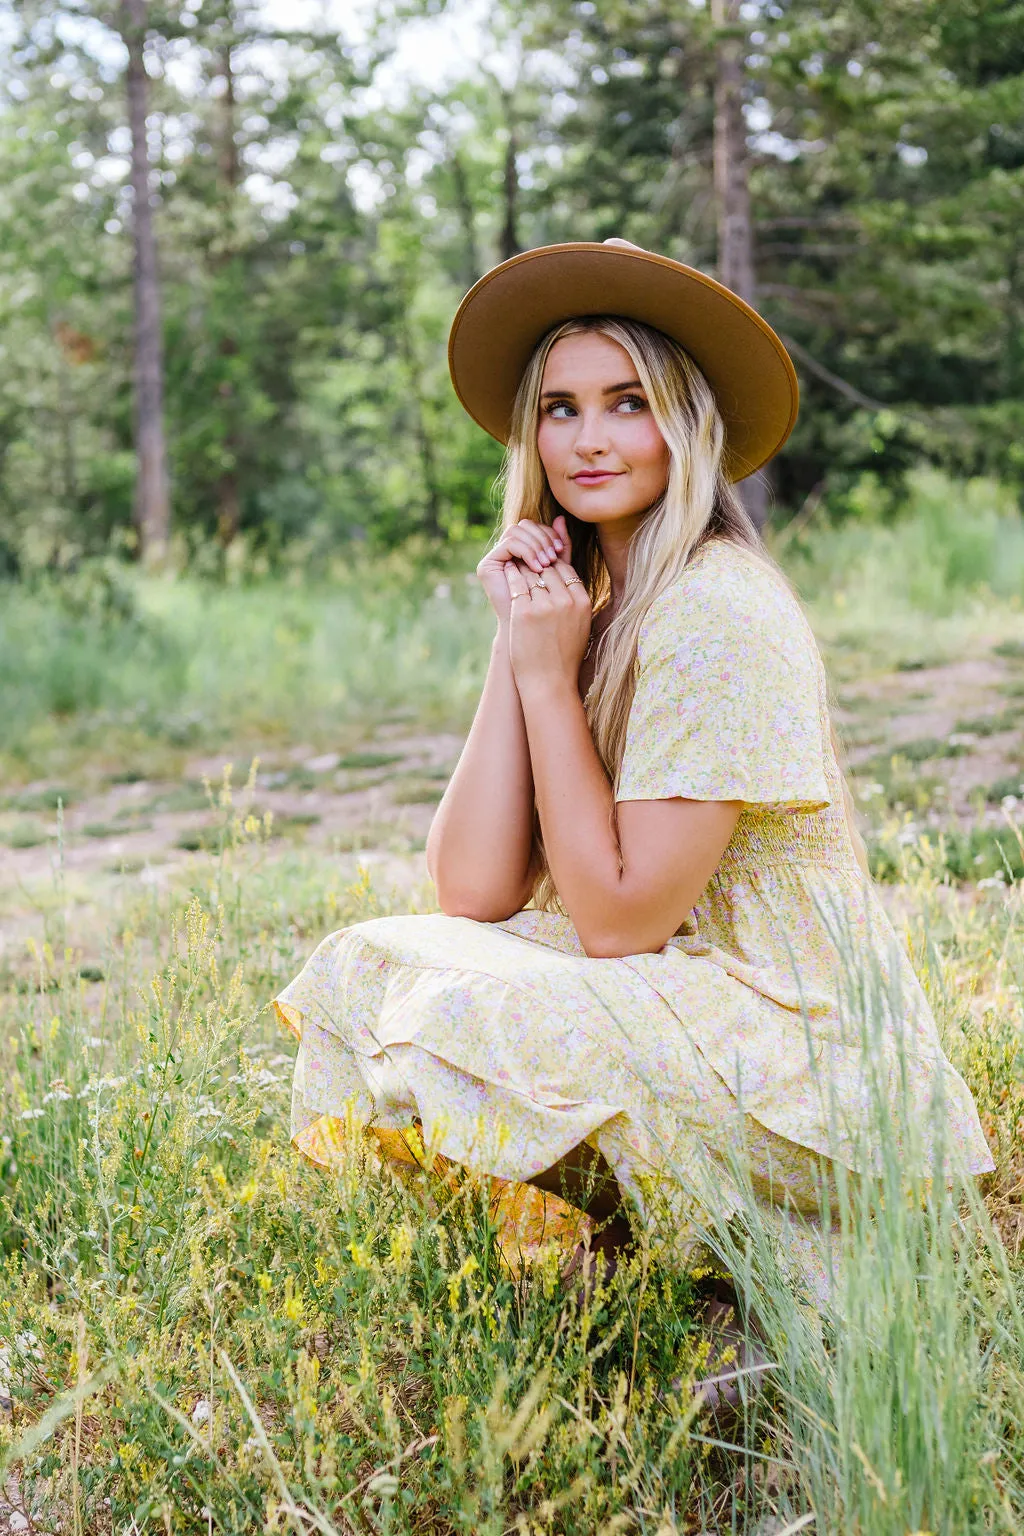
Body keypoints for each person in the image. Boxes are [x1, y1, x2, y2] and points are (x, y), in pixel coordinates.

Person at [272, 240, 993, 1390]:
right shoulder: (599, 600)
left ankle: (754, 1278)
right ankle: (648, 1264)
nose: (588, 438)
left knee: (465, 1005)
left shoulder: (716, 611)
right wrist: (525, 648)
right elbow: (471, 888)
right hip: (700, 1001)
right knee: (370, 963)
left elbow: (615, 923)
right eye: (559, 408)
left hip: (809, 1052)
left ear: (685, 426)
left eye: (628, 404)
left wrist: (553, 684)